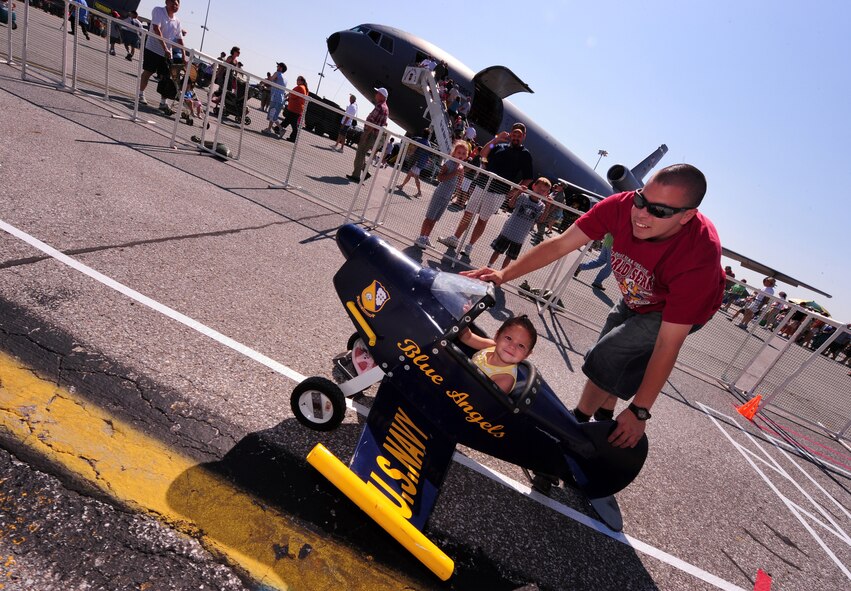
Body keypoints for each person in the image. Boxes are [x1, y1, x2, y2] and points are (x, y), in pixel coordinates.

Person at [463, 164, 724, 449]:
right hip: (638, 296)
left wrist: (639, 411)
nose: (641, 215)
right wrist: (503, 275)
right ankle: (604, 419)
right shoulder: (620, 207)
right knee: (608, 361)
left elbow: (667, 344)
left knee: (607, 354)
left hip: (675, 311)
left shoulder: (698, 255)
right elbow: (560, 245)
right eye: (641, 200)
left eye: (659, 211)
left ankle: (573, 426)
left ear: (687, 215)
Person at [438, 123, 533, 258]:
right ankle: (454, 239)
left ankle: (469, 246)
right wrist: (496, 140)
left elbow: (528, 178)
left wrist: (514, 191)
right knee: (468, 213)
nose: (516, 137)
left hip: (499, 191)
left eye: (519, 135)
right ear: (510, 134)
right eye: (514, 134)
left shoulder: (525, 155)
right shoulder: (499, 146)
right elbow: (483, 154)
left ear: (523, 136)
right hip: (482, 184)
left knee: (483, 219)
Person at [460, 316, 538, 394]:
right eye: (508, 338)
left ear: (527, 354)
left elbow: (480, 400)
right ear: (497, 336)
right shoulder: (491, 346)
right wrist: (463, 317)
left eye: (521, 346)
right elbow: (467, 338)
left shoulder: (505, 379)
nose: (512, 347)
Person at [414, 140, 470, 249]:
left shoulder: (461, 167)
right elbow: (440, 178)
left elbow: (459, 183)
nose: (461, 155)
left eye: (464, 154)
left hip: (447, 196)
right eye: (459, 152)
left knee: (435, 219)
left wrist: (461, 176)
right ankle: (421, 237)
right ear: (454, 153)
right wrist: (455, 173)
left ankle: (426, 237)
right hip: (440, 193)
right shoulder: (449, 163)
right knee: (429, 217)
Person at [487, 178, 550, 269]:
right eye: (539, 187)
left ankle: (501, 272)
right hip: (508, 230)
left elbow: (540, 220)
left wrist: (548, 207)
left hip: (520, 236)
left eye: (544, 190)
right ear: (533, 186)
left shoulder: (541, 206)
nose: (541, 191)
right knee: (498, 250)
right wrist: (518, 192)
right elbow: (511, 205)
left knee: (509, 256)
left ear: (547, 193)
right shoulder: (524, 196)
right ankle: (489, 266)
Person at [138, 0, 185, 110]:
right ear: (166, 2)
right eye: (172, 3)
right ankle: (140, 94)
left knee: (166, 78)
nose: (175, 6)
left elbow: (180, 39)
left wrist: (184, 56)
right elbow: (156, 28)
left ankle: (163, 102)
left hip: (167, 54)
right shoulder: (158, 10)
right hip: (153, 49)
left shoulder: (177, 22)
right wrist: (165, 48)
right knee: (148, 72)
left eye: (177, 4)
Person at [347, 87, 389, 183]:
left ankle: (356, 176)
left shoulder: (379, 107)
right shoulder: (386, 108)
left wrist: (365, 134)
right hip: (375, 136)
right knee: (362, 153)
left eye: (377, 93)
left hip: (370, 134)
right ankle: (365, 173)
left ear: (382, 96)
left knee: (360, 153)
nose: (375, 95)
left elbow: (372, 123)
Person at [396, 129, 431, 197]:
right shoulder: (428, 143)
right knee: (409, 174)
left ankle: (419, 192)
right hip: (422, 162)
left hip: (418, 162)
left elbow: (413, 148)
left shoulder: (420, 140)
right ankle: (402, 186)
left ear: (423, 133)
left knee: (416, 178)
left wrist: (409, 153)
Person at [262, 62, 287, 136]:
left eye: (278, 66)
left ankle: (281, 129)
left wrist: (263, 81)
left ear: (281, 68)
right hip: (281, 99)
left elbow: (270, 80)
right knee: (273, 114)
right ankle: (269, 129)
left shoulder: (277, 73)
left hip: (276, 97)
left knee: (272, 115)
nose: (277, 67)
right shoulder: (285, 78)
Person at [280, 76, 308, 142]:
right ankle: (278, 129)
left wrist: (288, 96)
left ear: (302, 81)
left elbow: (293, 95)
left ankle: (279, 129)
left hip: (295, 109)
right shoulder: (304, 88)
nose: (297, 81)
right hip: (297, 109)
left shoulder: (300, 87)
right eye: (297, 79)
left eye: (298, 80)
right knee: (289, 121)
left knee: (291, 122)